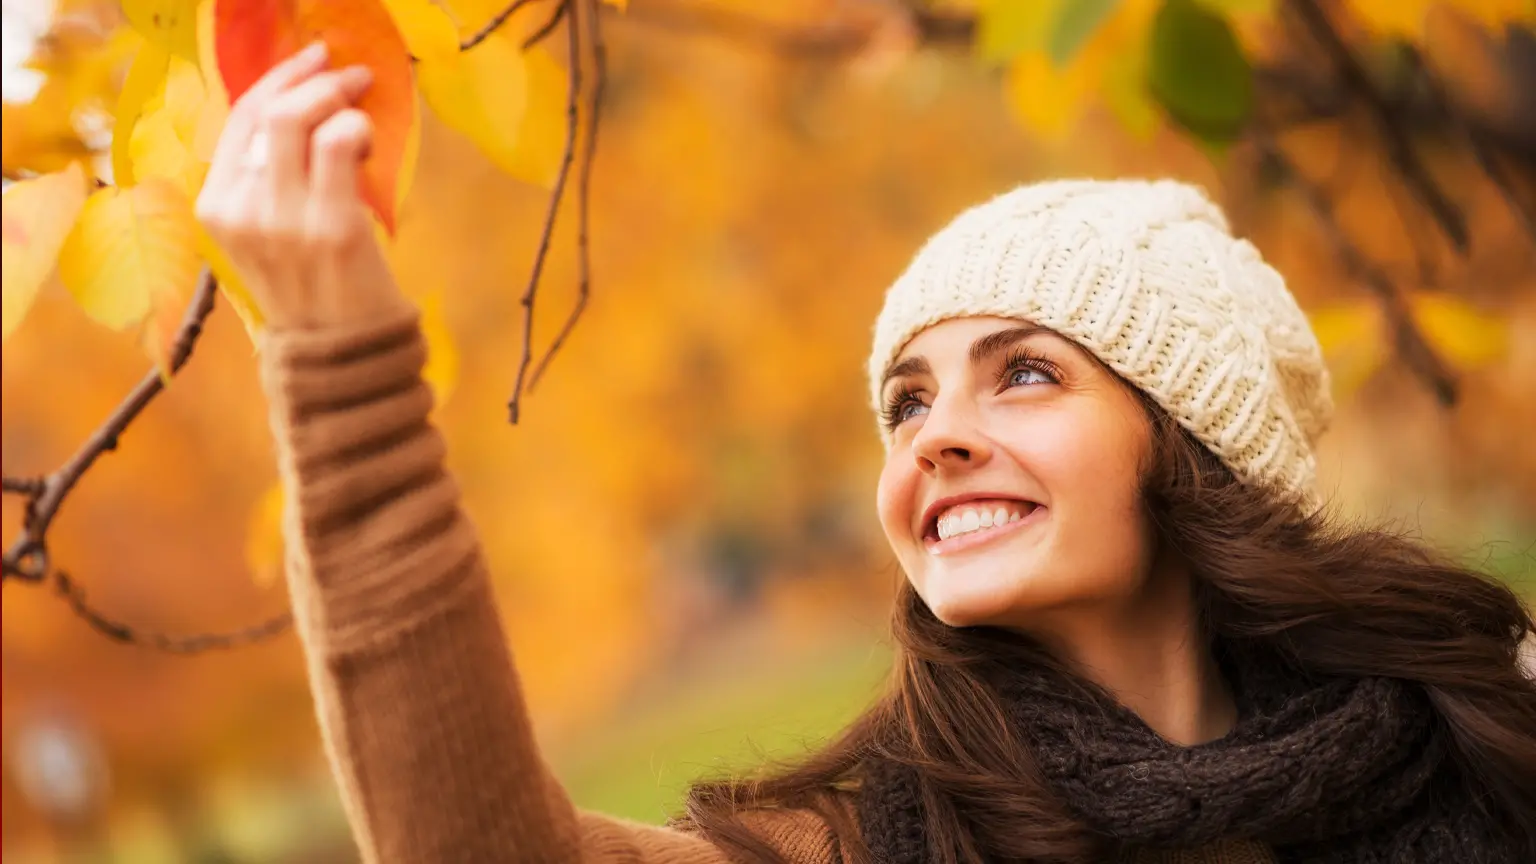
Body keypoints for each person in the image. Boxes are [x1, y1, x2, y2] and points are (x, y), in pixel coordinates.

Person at [197, 45, 1536, 864]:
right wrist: (340, 365)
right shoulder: (859, 848)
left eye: (1025, 373)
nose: (936, 435)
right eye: (906, 402)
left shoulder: (1481, 737)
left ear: (1195, 444)